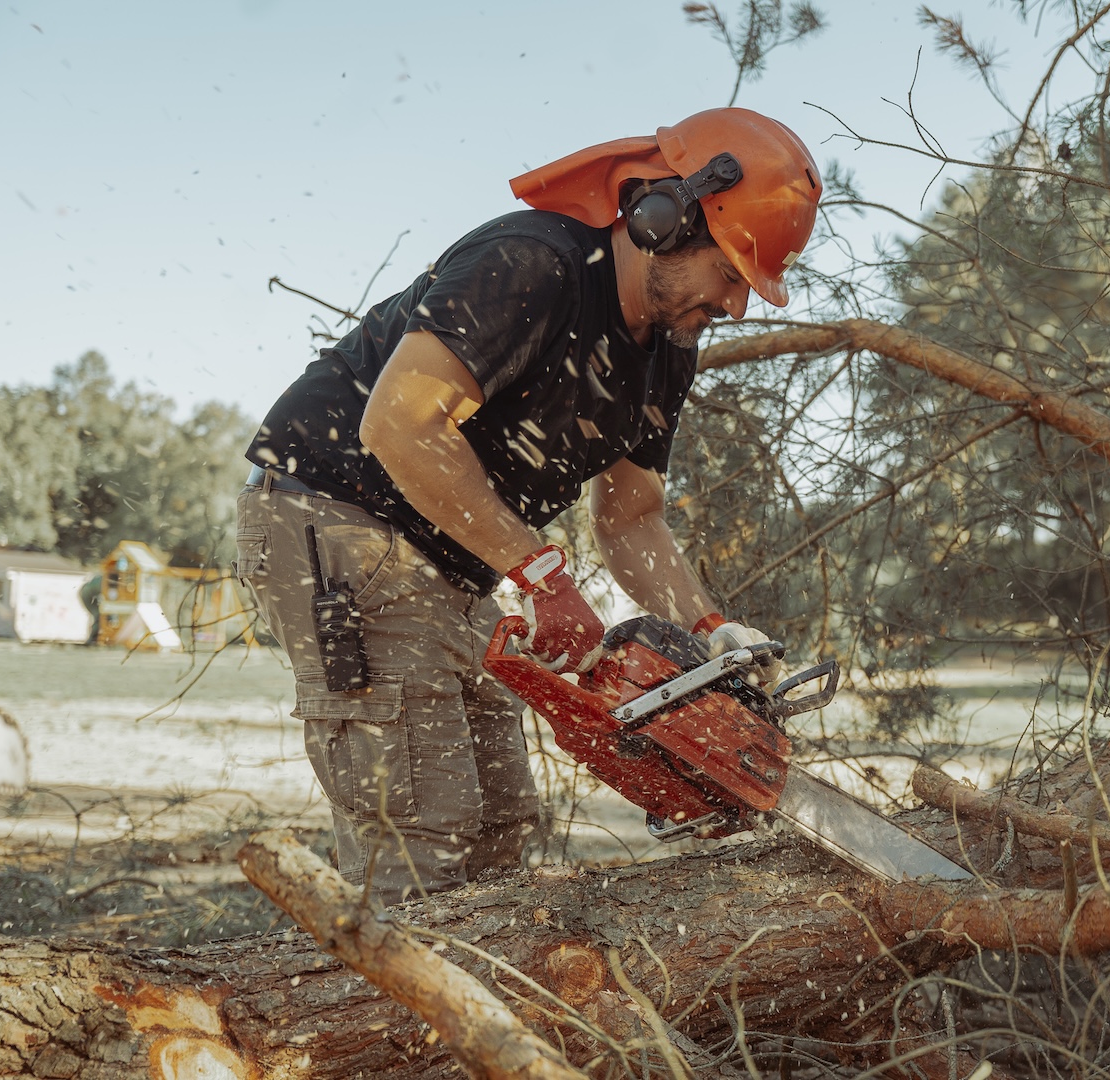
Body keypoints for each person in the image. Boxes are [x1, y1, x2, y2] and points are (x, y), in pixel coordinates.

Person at [235, 108, 821, 903]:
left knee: (500, 821)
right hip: (340, 518)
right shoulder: (531, 264)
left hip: (453, 561)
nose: (737, 306)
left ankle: (471, 978)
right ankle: (392, 977)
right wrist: (542, 573)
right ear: (665, 219)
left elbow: (631, 517)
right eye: (729, 273)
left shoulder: (667, 355)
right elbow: (400, 424)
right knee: (423, 825)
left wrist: (710, 630)